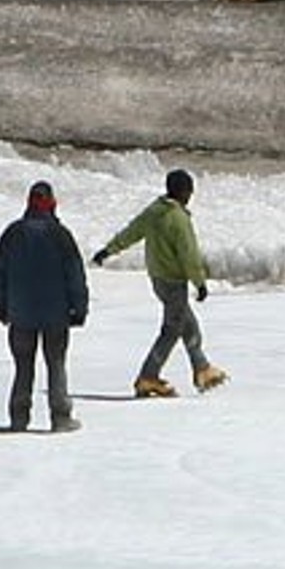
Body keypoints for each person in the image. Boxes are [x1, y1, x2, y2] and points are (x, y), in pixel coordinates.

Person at [92, 168, 227, 398]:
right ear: (183, 192)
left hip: (158, 279)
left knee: (189, 326)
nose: (191, 196)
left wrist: (108, 250)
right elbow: (189, 254)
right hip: (174, 282)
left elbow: (131, 232)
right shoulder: (178, 219)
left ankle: (202, 369)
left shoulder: (154, 212)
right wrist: (200, 283)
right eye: (190, 191)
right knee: (172, 331)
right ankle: (148, 377)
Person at [0, 180, 89, 433]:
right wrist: (79, 308)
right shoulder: (60, 235)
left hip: (20, 313)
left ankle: (19, 417)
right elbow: (74, 274)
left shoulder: (13, 233)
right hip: (55, 314)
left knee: (23, 366)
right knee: (55, 363)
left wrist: (2, 305)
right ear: (52, 204)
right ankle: (60, 417)